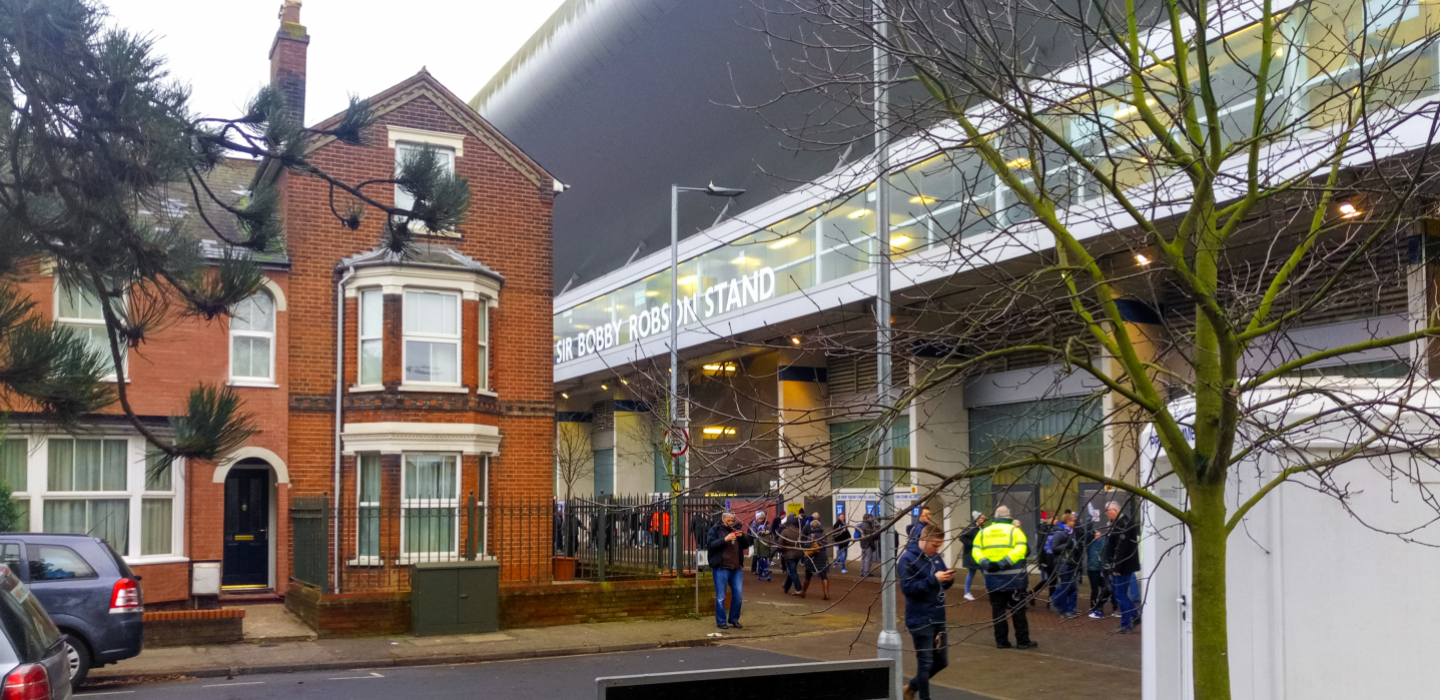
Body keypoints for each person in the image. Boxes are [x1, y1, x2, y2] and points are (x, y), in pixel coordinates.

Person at [899, 525, 954, 700]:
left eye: (940, 545)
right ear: (923, 540)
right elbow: (907, 588)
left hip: (938, 616)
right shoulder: (907, 559)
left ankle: (911, 687)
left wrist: (947, 580)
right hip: (919, 618)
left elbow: (942, 584)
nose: (937, 549)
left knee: (942, 662)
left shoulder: (936, 557)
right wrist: (933, 579)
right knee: (925, 662)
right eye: (935, 544)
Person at [973, 505, 1036, 650]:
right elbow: (1021, 550)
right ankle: (1022, 641)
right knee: (1018, 609)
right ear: (1009, 517)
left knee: (998, 610)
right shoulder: (1015, 531)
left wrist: (988, 564)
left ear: (995, 517)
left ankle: (1001, 641)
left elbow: (976, 551)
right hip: (1014, 579)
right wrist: (1003, 563)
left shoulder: (984, 532)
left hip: (992, 579)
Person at [706, 511, 754, 629]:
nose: (731, 523)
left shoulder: (737, 529)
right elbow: (710, 545)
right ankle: (721, 621)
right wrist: (725, 539)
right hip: (721, 568)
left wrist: (742, 536)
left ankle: (734, 619)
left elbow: (747, 544)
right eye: (729, 521)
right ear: (723, 520)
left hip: (736, 568)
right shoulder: (715, 530)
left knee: (738, 596)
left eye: (732, 520)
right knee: (721, 596)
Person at [1103, 501, 1141, 633]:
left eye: (1108, 511)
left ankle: (1126, 623)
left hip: (1123, 566)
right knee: (1118, 592)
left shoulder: (1123, 524)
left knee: (1120, 594)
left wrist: (1117, 567)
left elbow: (1121, 548)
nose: (1106, 513)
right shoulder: (1116, 524)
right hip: (1119, 564)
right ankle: (1134, 617)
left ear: (1115, 510)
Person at [1047, 511, 1081, 618]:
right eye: (1073, 520)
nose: (1075, 522)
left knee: (1073, 587)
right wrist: (1068, 544)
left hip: (1071, 562)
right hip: (1063, 563)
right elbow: (1054, 547)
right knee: (1065, 587)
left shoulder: (1071, 532)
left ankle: (1070, 608)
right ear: (1068, 521)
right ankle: (1063, 610)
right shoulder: (1060, 533)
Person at [1084, 511, 1111, 619]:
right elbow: (1088, 532)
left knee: (1106, 590)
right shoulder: (1090, 543)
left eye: (1099, 534)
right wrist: (1090, 520)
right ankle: (1093, 608)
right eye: (1095, 534)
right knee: (1095, 590)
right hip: (1092, 569)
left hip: (1101, 570)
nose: (1097, 536)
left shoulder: (1104, 541)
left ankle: (1099, 606)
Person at [958, 511, 986, 601]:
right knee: (976, 573)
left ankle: (967, 592)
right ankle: (967, 593)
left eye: (984, 519)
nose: (984, 520)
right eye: (982, 519)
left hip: (979, 555)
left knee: (983, 573)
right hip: (972, 556)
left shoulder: (981, 528)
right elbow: (962, 537)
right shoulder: (971, 528)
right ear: (977, 519)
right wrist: (973, 544)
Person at [800, 520, 831, 599]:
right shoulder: (823, 535)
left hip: (813, 557)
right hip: (823, 556)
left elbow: (807, 545)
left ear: (812, 527)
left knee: (808, 575)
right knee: (824, 575)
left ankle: (803, 592)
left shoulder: (811, 535)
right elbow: (825, 544)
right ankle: (826, 594)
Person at [779, 516, 805, 595]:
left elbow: (780, 542)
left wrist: (782, 550)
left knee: (792, 572)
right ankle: (786, 587)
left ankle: (799, 589)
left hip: (788, 554)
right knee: (791, 571)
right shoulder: (799, 531)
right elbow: (802, 542)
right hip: (798, 554)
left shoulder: (785, 531)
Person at [858, 513, 879, 578]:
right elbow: (871, 537)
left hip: (863, 544)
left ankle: (862, 572)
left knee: (863, 558)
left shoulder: (862, 525)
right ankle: (866, 573)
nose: (872, 519)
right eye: (870, 518)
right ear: (867, 518)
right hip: (868, 544)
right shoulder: (868, 526)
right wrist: (873, 546)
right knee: (867, 559)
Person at [748, 511, 767, 575]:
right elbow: (753, 533)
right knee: (755, 555)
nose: (761, 520)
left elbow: (767, 530)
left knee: (763, 555)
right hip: (756, 540)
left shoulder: (764, 523)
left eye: (763, 518)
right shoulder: (753, 524)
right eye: (760, 518)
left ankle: (762, 569)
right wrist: (759, 534)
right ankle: (753, 569)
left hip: (762, 540)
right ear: (757, 518)